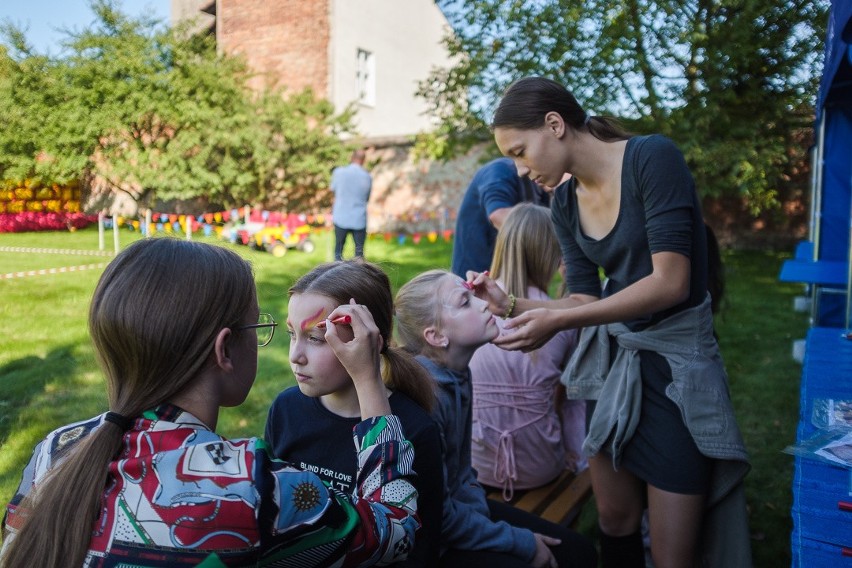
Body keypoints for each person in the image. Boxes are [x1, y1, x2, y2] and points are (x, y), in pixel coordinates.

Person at [467, 76, 751, 568]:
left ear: (554, 125)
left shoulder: (650, 159)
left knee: (669, 554)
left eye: (520, 151)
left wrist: (556, 323)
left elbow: (670, 283)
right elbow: (581, 297)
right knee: (615, 521)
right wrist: (511, 304)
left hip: (675, 375)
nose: (519, 169)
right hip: (612, 370)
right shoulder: (562, 203)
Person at [0, 238, 418, 568]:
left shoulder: (54, 450)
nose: (291, 351)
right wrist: (368, 380)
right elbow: (394, 528)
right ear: (225, 350)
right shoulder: (248, 489)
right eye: (261, 325)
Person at [395, 270, 597, 568]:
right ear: (436, 336)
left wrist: (484, 516)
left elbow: (461, 474)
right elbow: (436, 516)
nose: (483, 304)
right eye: (465, 302)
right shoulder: (429, 399)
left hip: (457, 514)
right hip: (431, 544)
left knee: (578, 551)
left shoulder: (458, 371)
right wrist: (521, 542)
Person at [265, 259, 443, 567]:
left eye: (316, 338)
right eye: (292, 333)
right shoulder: (286, 409)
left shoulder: (414, 430)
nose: (295, 355)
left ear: (370, 340)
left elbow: (419, 548)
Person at [468, 203, 585, 501]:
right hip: (541, 464)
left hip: (475, 463)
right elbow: (568, 401)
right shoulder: (564, 317)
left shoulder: (468, 308)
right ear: (549, 253)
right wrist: (576, 455)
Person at [451, 157, 549, 277]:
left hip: (512, 278)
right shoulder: (500, 170)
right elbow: (498, 215)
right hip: (475, 277)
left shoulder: (542, 186)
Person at [331, 148, 373, 260]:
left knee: (338, 252)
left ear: (352, 158)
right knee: (359, 254)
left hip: (341, 217)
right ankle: (359, 276)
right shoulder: (367, 177)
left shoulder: (339, 172)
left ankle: (335, 276)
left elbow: (333, 190)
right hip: (359, 218)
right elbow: (367, 198)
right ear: (363, 160)